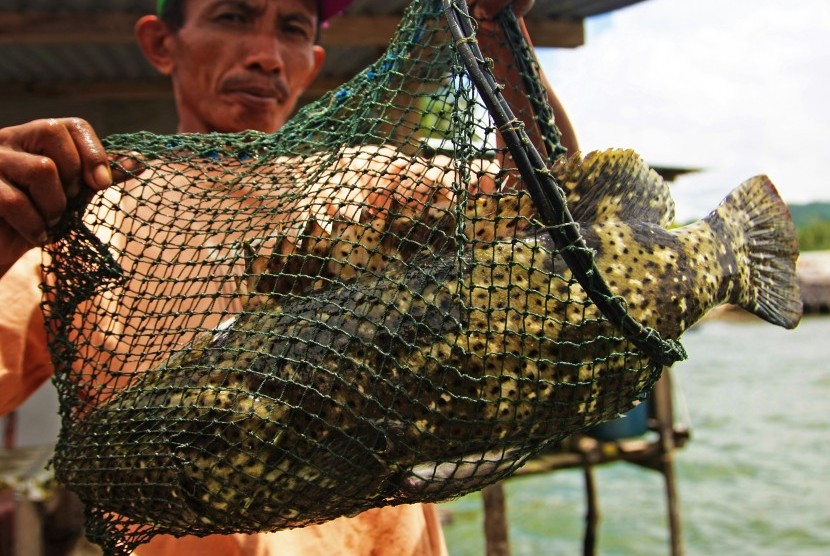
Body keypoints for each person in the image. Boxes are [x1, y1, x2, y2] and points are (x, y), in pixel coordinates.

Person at [0, 0, 578, 554]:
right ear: (160, 43)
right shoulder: (86, 222)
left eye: (294, 29)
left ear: (314, 63)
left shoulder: (372, 182)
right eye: (233, 16)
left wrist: (497, 33)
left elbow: (555, 213)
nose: (267, 56)